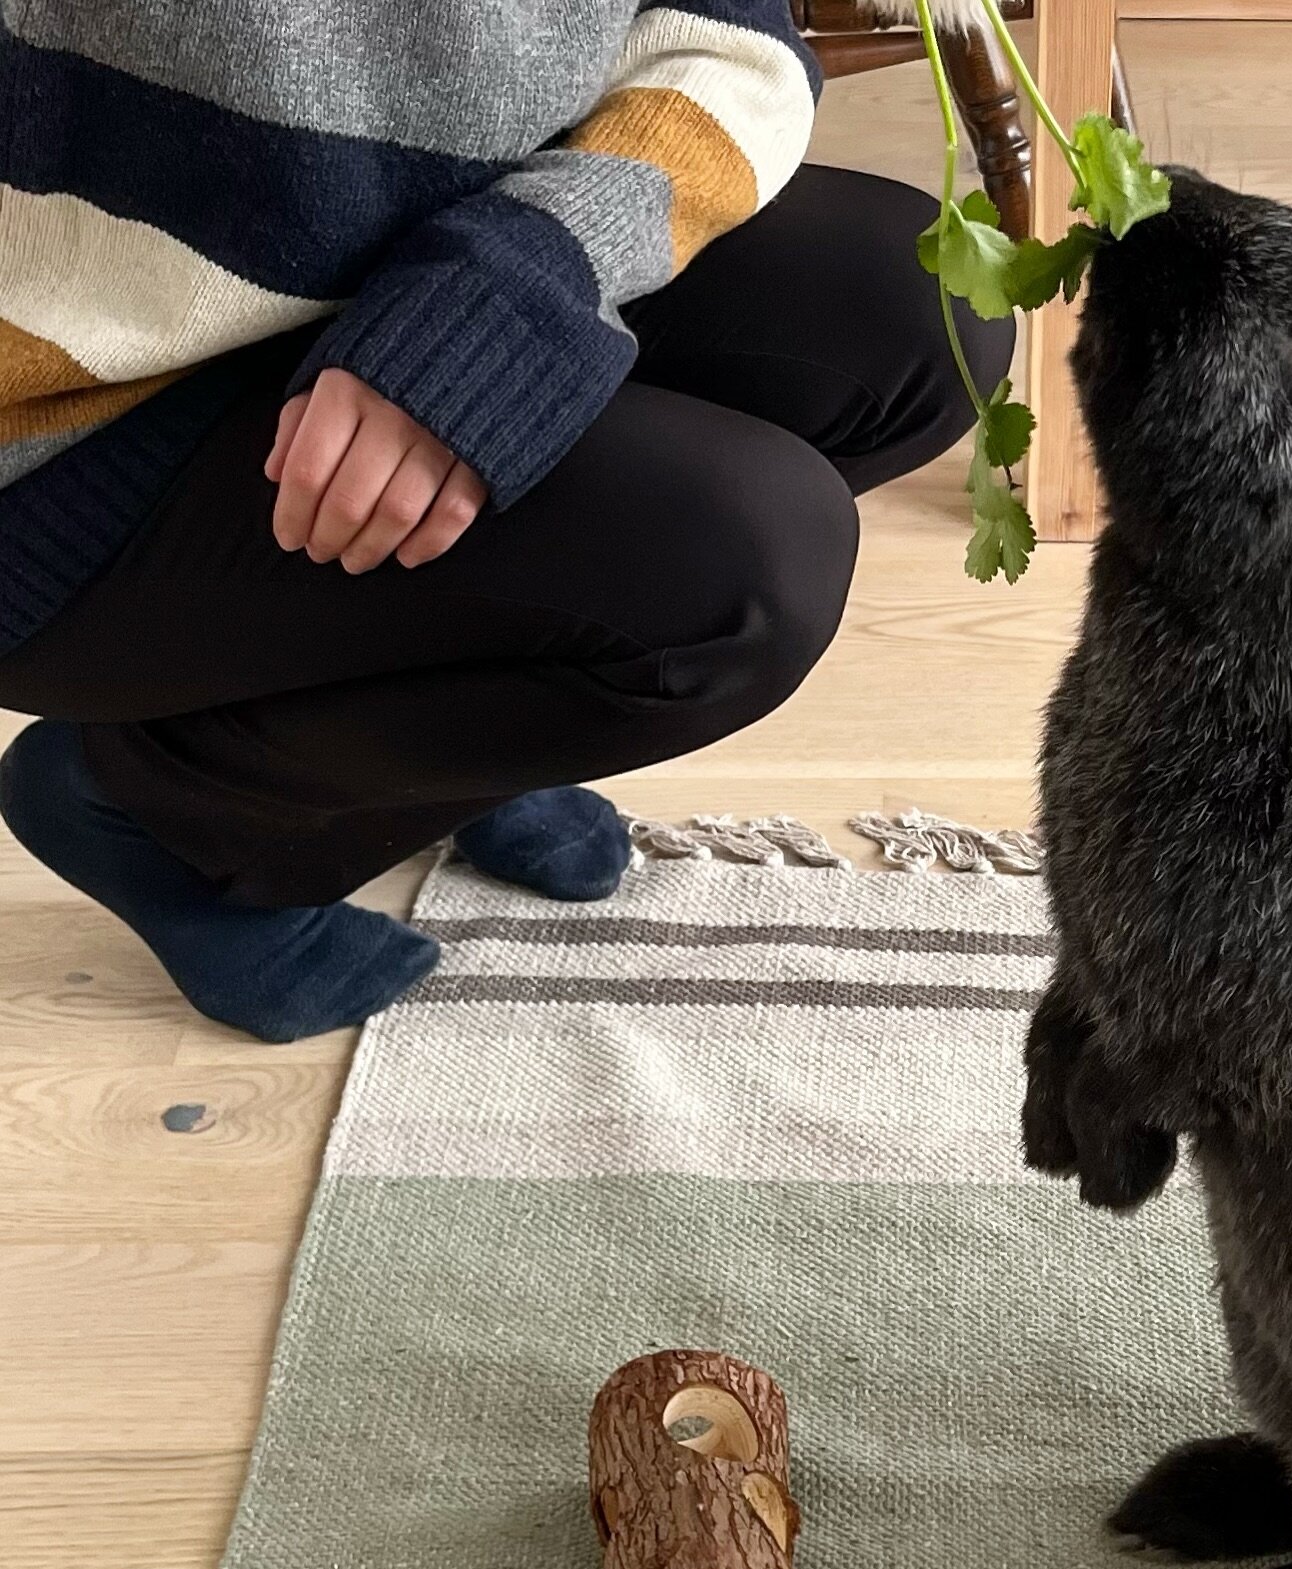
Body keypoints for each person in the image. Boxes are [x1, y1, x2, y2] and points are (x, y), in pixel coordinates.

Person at [0, 3, 1011, 1042]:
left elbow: (728, 28)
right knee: (745, 573)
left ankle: (438, 718)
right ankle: (149, 804)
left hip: (411, 234)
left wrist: (511, 283)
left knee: (920, 310)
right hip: (77, 394)